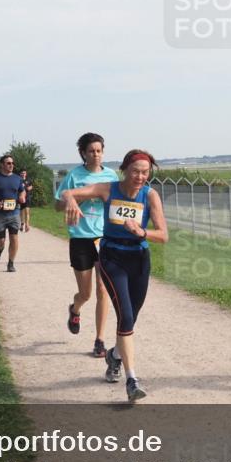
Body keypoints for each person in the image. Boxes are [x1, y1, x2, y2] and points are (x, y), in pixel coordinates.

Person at [61, 149, 168, 402]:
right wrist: (73, 202)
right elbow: (67, 192)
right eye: (135, 171)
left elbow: (163, 235)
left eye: (145, 172)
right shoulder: (108, 189)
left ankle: (114, 355)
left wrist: (142, 232)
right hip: (112, 258)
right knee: (126, 316)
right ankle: (132, 380)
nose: (140, 177)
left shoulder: (150, 195)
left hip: (139, 259)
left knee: (131, 319)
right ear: (124, 171)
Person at [54, 132, 118, 358]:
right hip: (80, 238)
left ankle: (99, 340)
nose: (96, 155)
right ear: (83, 153)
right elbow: (57, 206)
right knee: (86, 293)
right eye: (91, 151)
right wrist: (76, 199)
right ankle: (75, 309)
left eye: (99, 150)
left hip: (104, 238)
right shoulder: (74, 176)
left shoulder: (111, 175)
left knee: (104, 290)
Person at [0, 155, 26, 273]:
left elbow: (22, 190)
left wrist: (22, 196)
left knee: (14, 238)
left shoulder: (17, 178)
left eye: (12, 163)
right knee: (0, 240)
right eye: (8, 163)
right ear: (2, 165)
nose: (11, 165)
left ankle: (11, 263)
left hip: (14, 213)